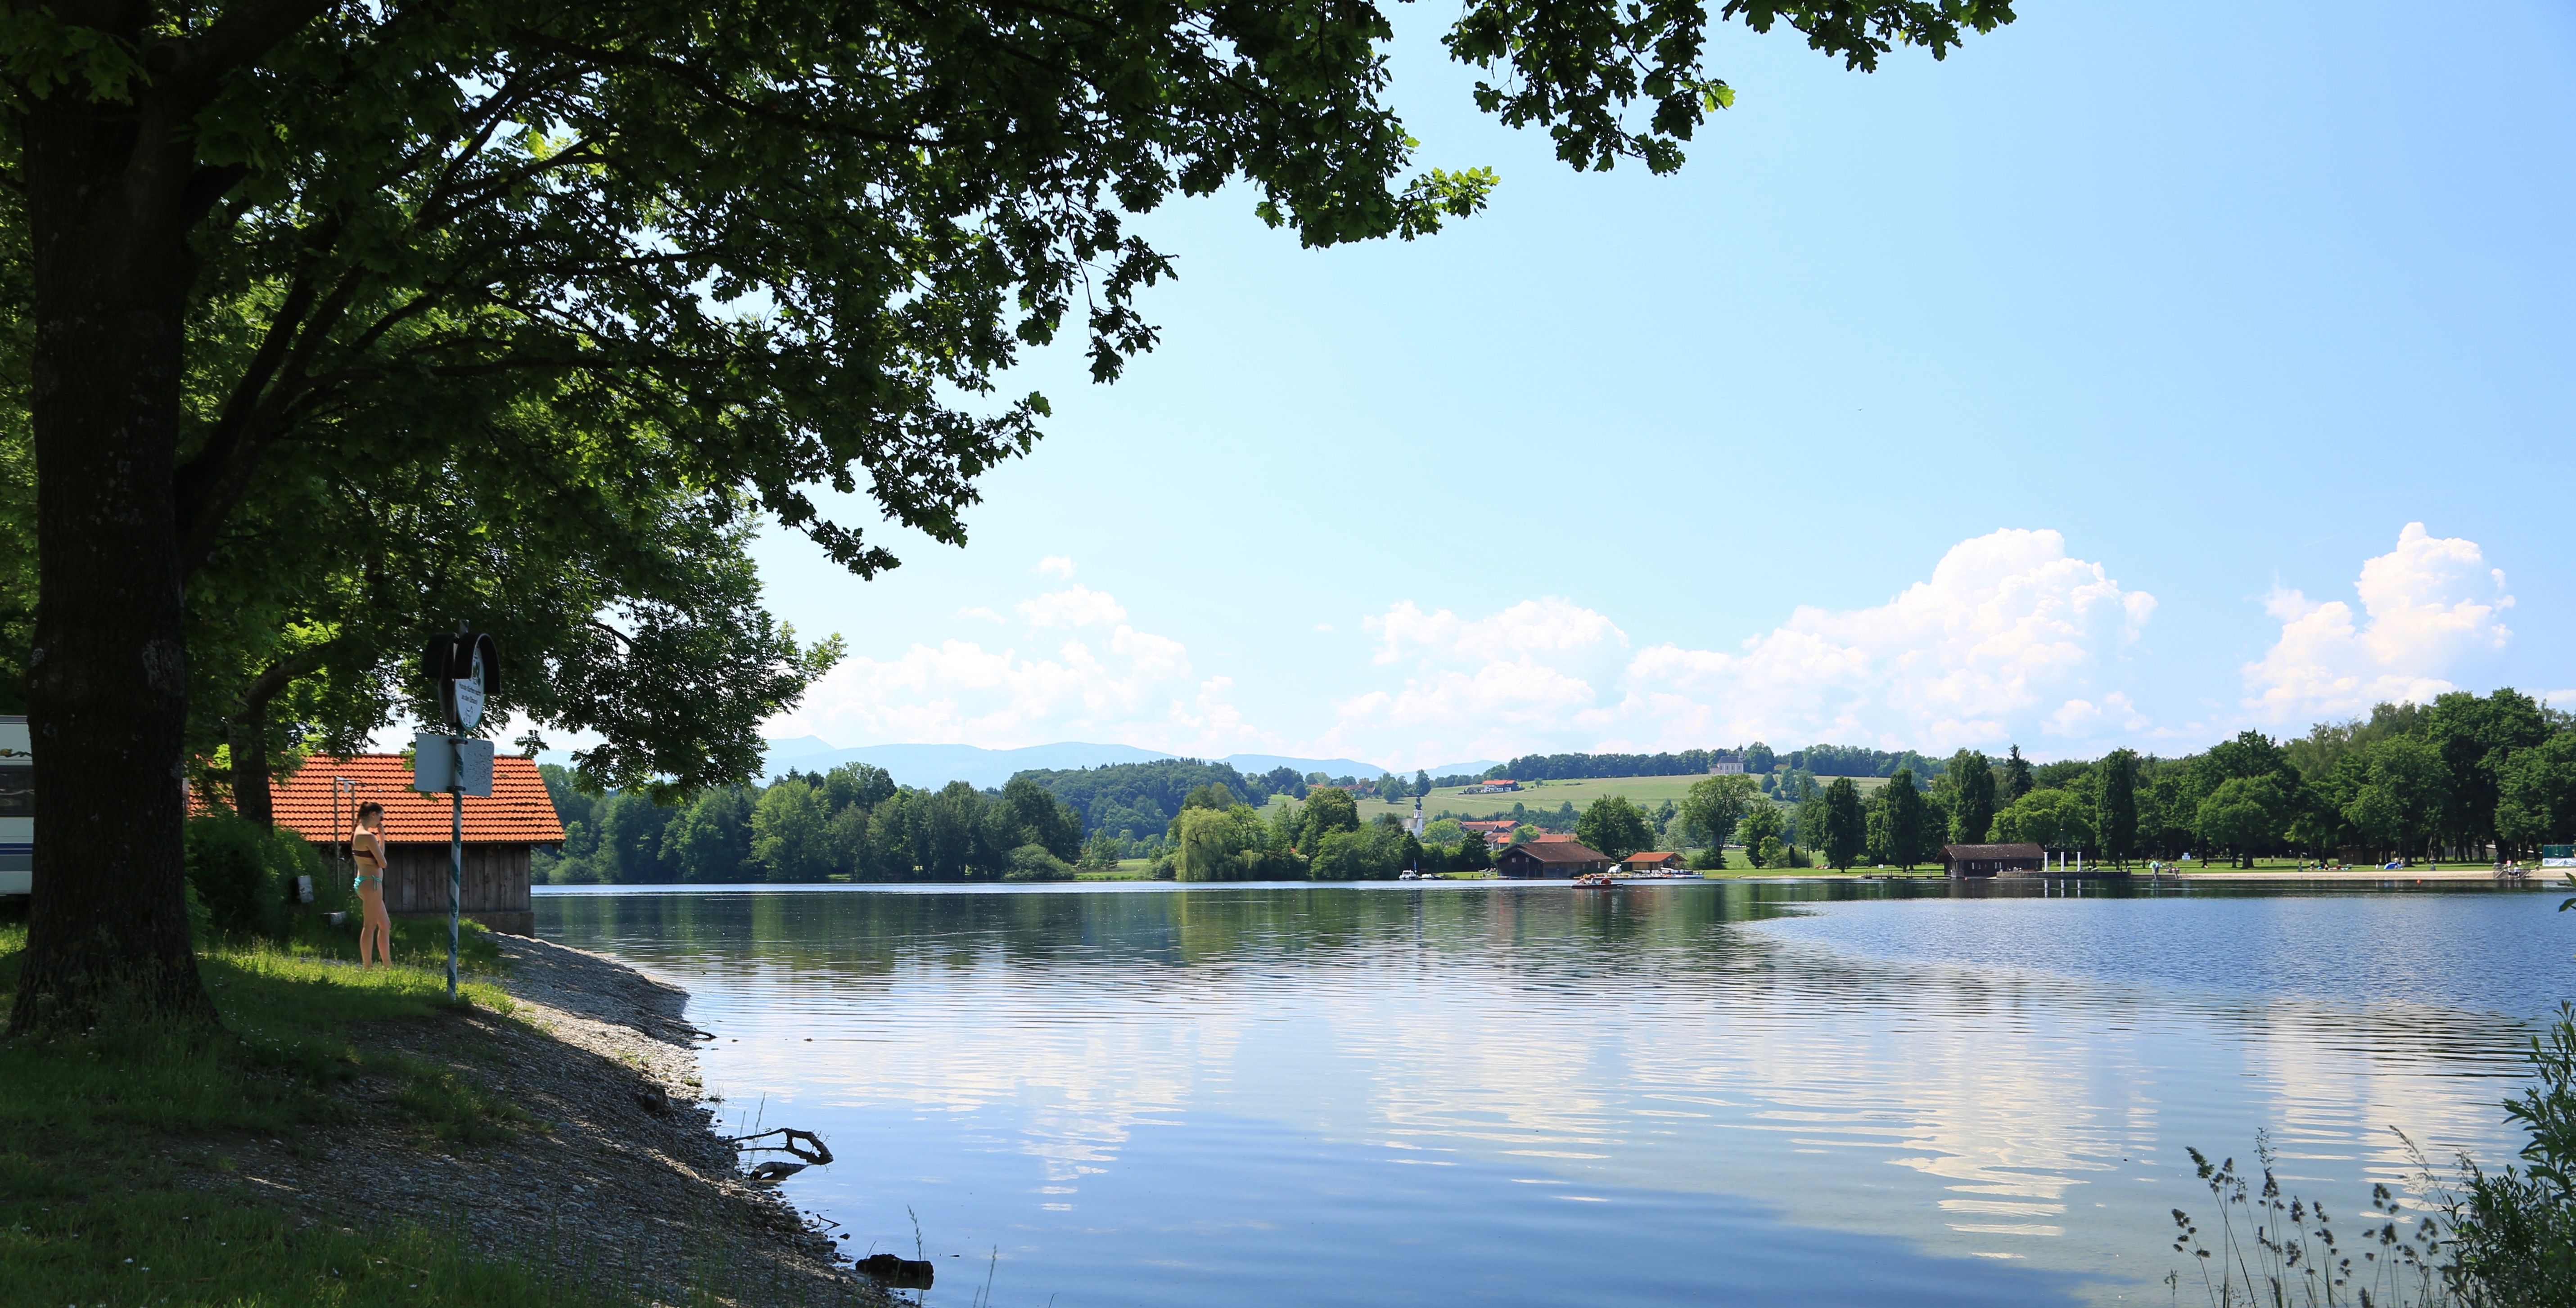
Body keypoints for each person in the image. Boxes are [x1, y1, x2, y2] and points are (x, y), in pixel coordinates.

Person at [351, 801, 393, 969]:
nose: (381, 822)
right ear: (373, 815)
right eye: (381, 817)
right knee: (369, 926)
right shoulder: (368, 836)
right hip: (372, 885)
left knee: (385, 925)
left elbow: (377, 857)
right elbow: (382, 863)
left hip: (364, 882)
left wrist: (382, 838)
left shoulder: (358, 832)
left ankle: (387, 965)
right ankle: (367, 967)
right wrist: (379, 839)